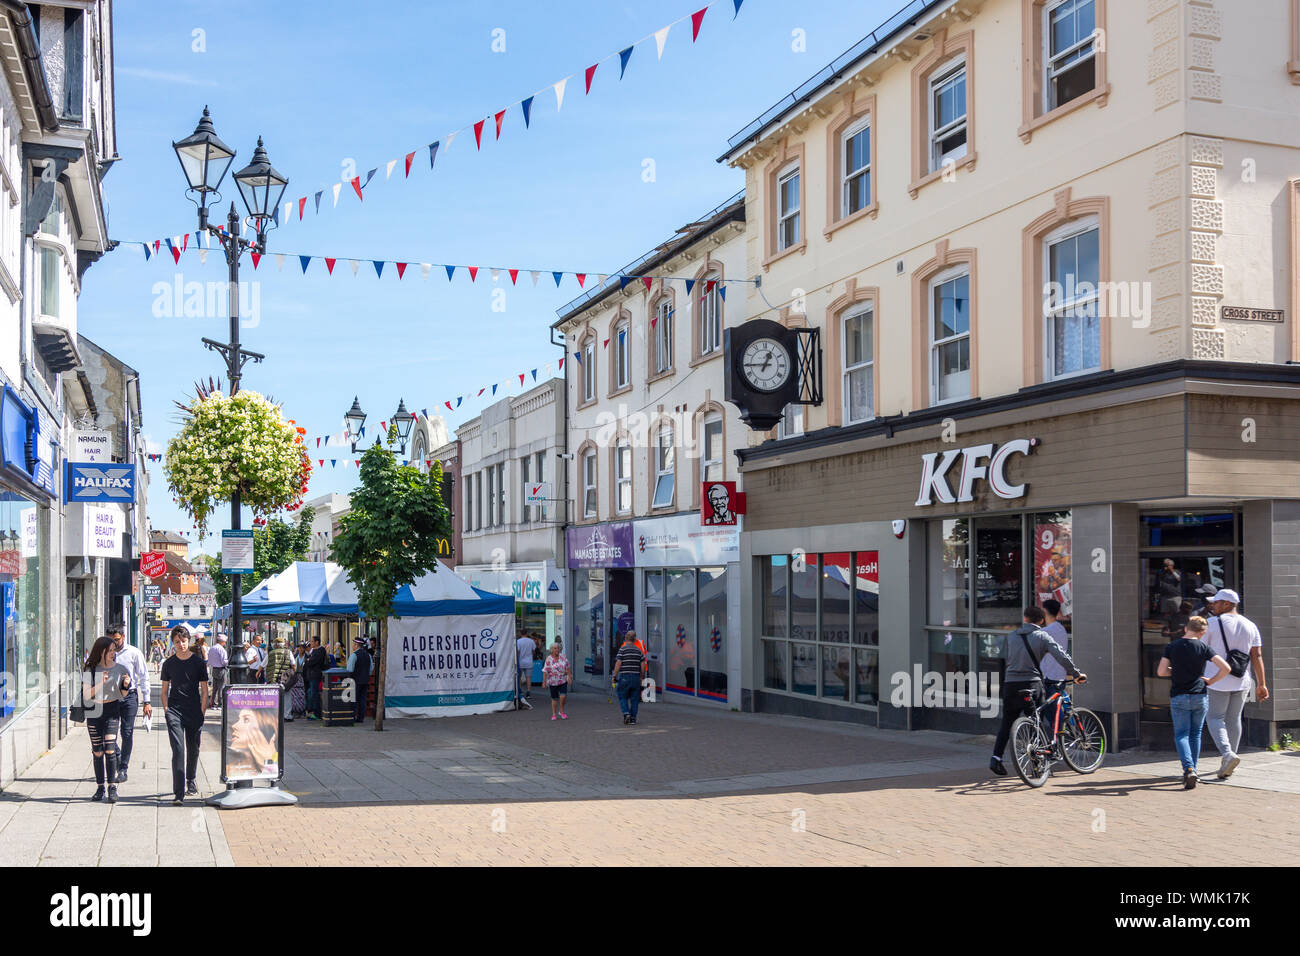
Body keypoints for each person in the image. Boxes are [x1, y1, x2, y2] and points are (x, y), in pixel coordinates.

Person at [990, 607, 1086, 777]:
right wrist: (1076, 673)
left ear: (1025, 618)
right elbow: (1061, 656)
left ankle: (996, 758)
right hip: (1032, 683)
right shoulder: (1042, 636)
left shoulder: (1011, 636)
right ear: (1041, 621)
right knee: (1036, 721)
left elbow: (1003, 659)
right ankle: (1038, 764)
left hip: (1010, 685)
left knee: (1007, 723)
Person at [1202, 589, 1269, 779]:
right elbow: (1257, 656)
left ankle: (1227, 754)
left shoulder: (1212, 624)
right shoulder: (1250, 625)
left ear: (1226, 604)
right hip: (1242, 679)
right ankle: (1230, 761)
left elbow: (1201, 650)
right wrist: (1262, 684)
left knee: (1214, 717)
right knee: (1234, 719)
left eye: (1216, 602)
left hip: (1216, 679)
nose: (1212, 605)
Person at [1158, 615, 1231, 788]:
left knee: (1181, 734)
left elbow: (1161, 672)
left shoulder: (1172, 646)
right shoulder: (1204, 647)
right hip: (1200, 694)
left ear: (1186, 628)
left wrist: (1175, 672)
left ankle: (1188, 769)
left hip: (1179, 695)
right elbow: (1226, 668)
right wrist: (1211, 681)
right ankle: (1195, 771)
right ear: (1203, 632)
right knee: (1195, 733)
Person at [160, 625, 210, 805]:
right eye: (176, 642)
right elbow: (164, 690)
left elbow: (205, 690)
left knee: (193, 747)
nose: (180, 645)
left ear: (188, 641)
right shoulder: (169, 664)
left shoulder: (198, 663)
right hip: (174, 710)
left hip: (194, 709)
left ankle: (191, 779)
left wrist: (202, 710)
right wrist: (166, 710)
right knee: (178, 749)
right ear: (172, 643)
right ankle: (178, 792)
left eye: (183, 641)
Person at [81, 636, 132, 802]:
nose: (113, 653)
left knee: (110, 748)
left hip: (111, 710)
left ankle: (112, 787)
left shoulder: (121, 668)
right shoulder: (90, 668)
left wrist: (125, 685)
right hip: (94, 712)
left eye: (114, 650)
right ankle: (100, 787)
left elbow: (122, 695)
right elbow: (87, 695)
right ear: (101, 651)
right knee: (97, 750)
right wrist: (101, 683)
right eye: (109, 650)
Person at [107, 624, 151, 783]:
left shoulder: (134, 653)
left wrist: (147, 700)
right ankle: (117, 754)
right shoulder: (106, 652)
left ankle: (123, 768)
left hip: (129, 697)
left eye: (117, 640)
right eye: (111, 640)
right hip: (110, 696)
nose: (114, 643)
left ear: (123, 637)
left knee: (126, 732)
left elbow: (143, 676)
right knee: (108, 733)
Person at [1039, 599, 1070, 701]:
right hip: (1059, 674)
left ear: (1045, 612)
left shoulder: (1045, 632)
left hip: (1049, 676)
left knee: (1050, 710)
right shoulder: (1061, 629)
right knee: (1057, 707)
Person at [613, 632, 646, 725]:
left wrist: (614, 676)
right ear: (635, 639)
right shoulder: (639, 651)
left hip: (624, 676)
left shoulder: (622, 650)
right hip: (636, 677)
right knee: (635, 699)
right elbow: (643, 666)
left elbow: (618, 663)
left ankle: (626, 713)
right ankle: (633, 718)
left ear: (626, 639)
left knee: (622, 696)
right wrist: (642, 677)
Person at [264, 636, 297, 722]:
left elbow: (263, 665)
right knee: (287, 696)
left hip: (274, 678)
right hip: (285, 678)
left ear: (276, 645)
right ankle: (287, 715)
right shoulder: (288, 652)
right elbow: (293, 665)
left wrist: (259, 672)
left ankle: (275, 715)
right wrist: (292, 673)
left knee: (274, 697)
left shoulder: (271, 653)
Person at [542, 643, 571, 720]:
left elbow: (568, 668)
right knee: (554, 698)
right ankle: (554, 714)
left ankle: (561, 711)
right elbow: (545, 671)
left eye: (558, 648)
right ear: (551, 650)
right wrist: (544, 682)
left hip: (562, 680)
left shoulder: (563, 657)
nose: (557, 650)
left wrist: (570, 678)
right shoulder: (549, 659)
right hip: (553, 681)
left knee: (563, 696)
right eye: (555, 648)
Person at [346, 636, 372, 724]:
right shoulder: (368, 655)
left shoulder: (354, 655)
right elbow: (371, 669)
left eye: (354, 644)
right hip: (365, 680)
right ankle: (361, 717)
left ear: (357, 645)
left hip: (355, 680)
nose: (353, 646)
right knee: (362, 699)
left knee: (353, 699)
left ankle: (352, 716)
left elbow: (349, 669)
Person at [303, 636, 328, 720]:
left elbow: (312, 661)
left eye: (312, 641)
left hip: (316, 676)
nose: (311, 643)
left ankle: (317, 713)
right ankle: (312, 711)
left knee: (314, 694)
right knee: (311, 693)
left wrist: (308, 661)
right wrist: (308, 661)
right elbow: (308, 661)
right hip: (311, 675)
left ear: (317, 642)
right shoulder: (314, 650)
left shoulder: (320, 650)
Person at [207, 633, 229, 711]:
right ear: (222, 641)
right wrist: (229, 662)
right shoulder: (222, 649)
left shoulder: (212, 648)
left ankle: (213, 704)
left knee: (215, 688)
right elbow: (224, 661)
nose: (225, 643)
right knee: (221, 687)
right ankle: (220, 704)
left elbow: (209, 660)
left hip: (214, 669)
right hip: (221, 669)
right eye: (225, 642)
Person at [516, 630, 537, 700]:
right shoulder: (531, 641)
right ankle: (528, 692)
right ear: (527, 633)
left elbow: (518, 651)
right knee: (528, 678)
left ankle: (520, 691)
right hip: (529, 661)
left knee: (519, 677)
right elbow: (534, 651)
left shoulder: (518, 641)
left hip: (520, 662)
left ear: (520, 633)